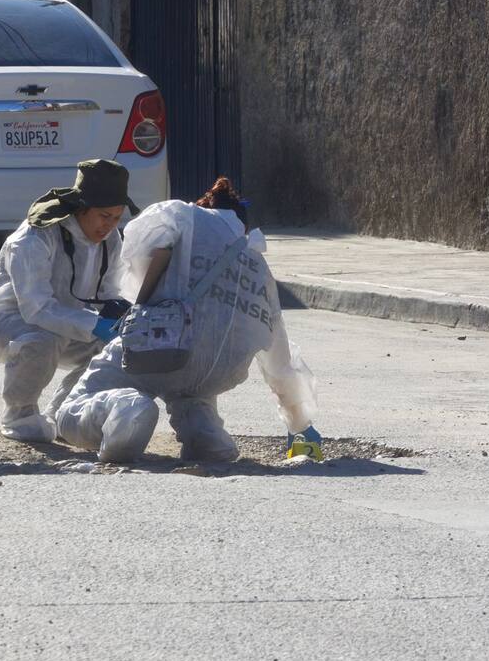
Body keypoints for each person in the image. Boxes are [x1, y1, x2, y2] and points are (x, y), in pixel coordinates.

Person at [54, 177, 320, 463]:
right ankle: (207, 438)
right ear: (241, 226)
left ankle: (129, 410)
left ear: (204, 205)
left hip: (158, 347)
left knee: (69, 412)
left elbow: (141, 250)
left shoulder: (183, 216)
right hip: (217, 372)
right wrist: (300, 422)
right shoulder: (256, 264)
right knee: (191, 394)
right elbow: (279, 358)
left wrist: (141, 302)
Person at [0, 159, 139, 441]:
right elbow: (36, 308)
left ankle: (65, 413)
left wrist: (119, 314)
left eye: (117, 217)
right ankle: (19, 416)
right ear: (81, 208)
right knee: (42, 339)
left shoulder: (110, 240)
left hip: (68, 323)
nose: (110, 226)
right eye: (103, 216)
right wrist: (93, 324)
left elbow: (109, 291)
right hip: (7, 322)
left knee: (118, 350)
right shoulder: (34, 237)